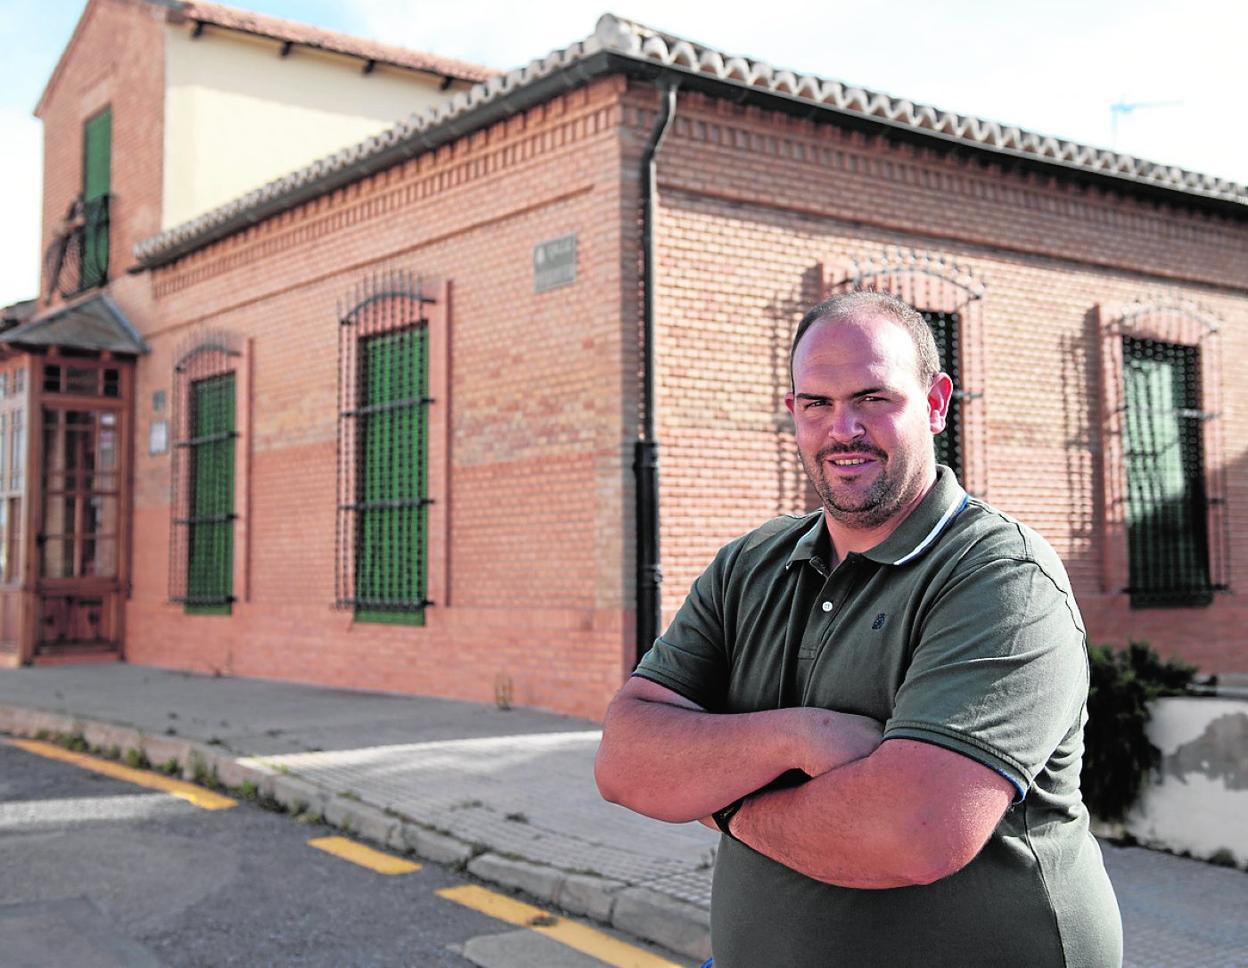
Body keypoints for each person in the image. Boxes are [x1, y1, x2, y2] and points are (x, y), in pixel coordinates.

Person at [595, 290, 1122, 967]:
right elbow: (623, 759)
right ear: (793, 414)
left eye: (873, 399)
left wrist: (721, 802)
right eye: (816, 403)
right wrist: (799, 736)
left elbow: (913, 831)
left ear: (935, 404)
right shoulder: (749, 565)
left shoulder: (1002, 577)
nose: (842, 428)